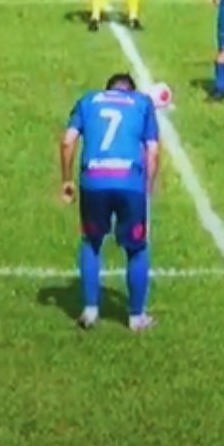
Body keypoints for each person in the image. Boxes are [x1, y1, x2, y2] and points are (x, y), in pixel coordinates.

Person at [58, 72, 160, 332]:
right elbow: (153, 150)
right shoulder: (142, 103)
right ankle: (137, 317)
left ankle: (90, 311)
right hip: (129, 183)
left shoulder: (89, 101)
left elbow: (67, 140)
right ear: (130, 90)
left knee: (91, 242)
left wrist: (67, 180)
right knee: (137, 248)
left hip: (94, 181)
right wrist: (148, 188)